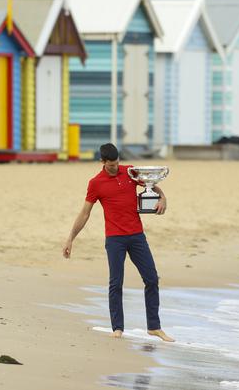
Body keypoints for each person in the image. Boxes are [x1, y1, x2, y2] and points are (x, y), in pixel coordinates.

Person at [62, 143, 174, 342]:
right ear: (102, 162)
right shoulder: (95, 183)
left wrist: (163, 198)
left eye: (117, 163)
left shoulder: (130, 172)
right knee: (116, 283)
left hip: (137, 236)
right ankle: (117, 328)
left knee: (151, 278)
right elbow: (85, 213)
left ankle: (154, 327)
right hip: (115, 239)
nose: (115, 167)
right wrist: (70, 238)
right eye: (111, 165)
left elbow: (151, 184)